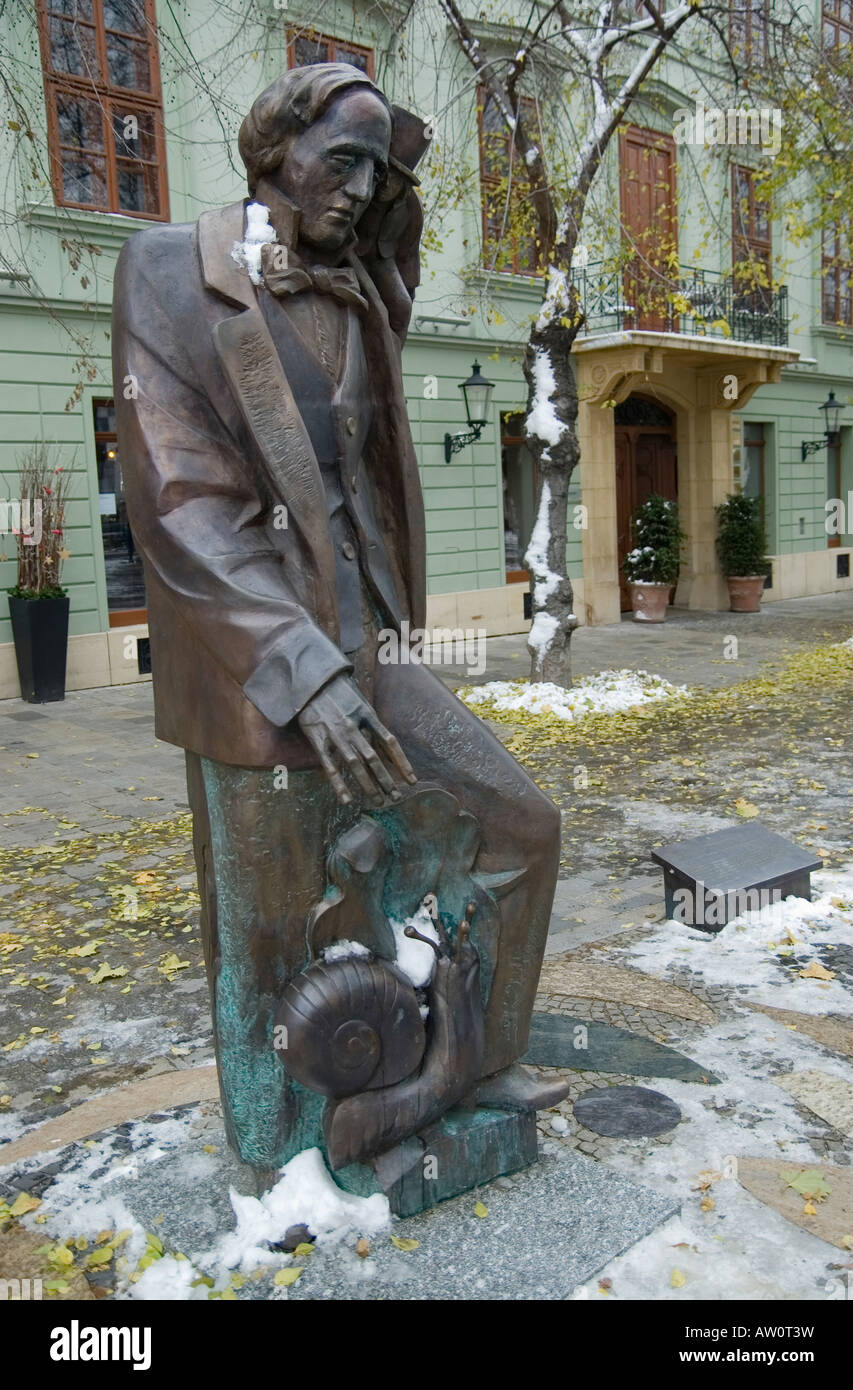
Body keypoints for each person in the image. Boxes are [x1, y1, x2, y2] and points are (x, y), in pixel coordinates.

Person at [112, 64, 564, 1174]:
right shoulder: (169, 268)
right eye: (343, 161)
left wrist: (382, 166)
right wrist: (300, 667)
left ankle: (468, 1060)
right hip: (257, 668)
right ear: (275, 146)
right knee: (273, 934)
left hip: (370, 644)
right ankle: (279, 1159)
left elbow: (392, 233)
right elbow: (179, 500)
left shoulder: (365, 284)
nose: (363, 190)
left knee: (518, 827)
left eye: (380, 173)